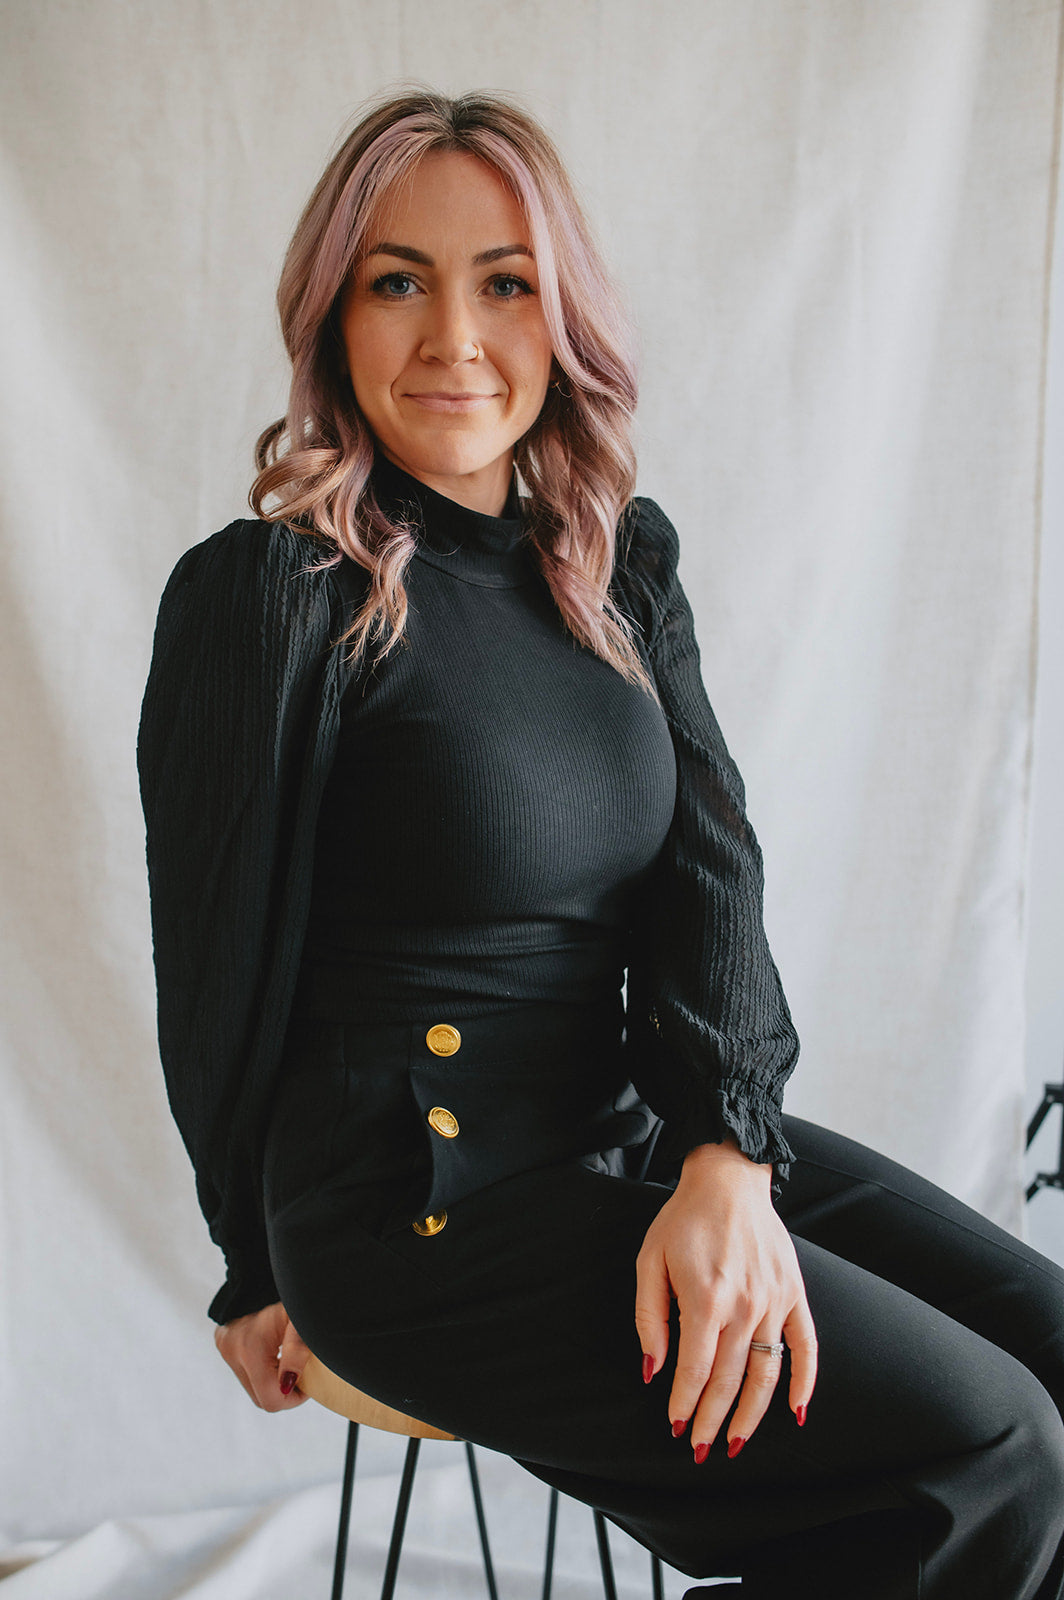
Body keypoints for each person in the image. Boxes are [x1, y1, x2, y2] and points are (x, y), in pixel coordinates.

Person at [138, 87, 1064, 1599]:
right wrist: (250, 1257)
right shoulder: (270, 597)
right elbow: (213, 962)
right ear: (332, 317)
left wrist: (726, 1153)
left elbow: (712, 872)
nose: (455, 337)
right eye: (398, 281)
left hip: (629, 1134)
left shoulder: (617, 565)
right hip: (415, 1207)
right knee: (988, 1454)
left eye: (506, 283)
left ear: (563, 314)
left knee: (1053, 1357)